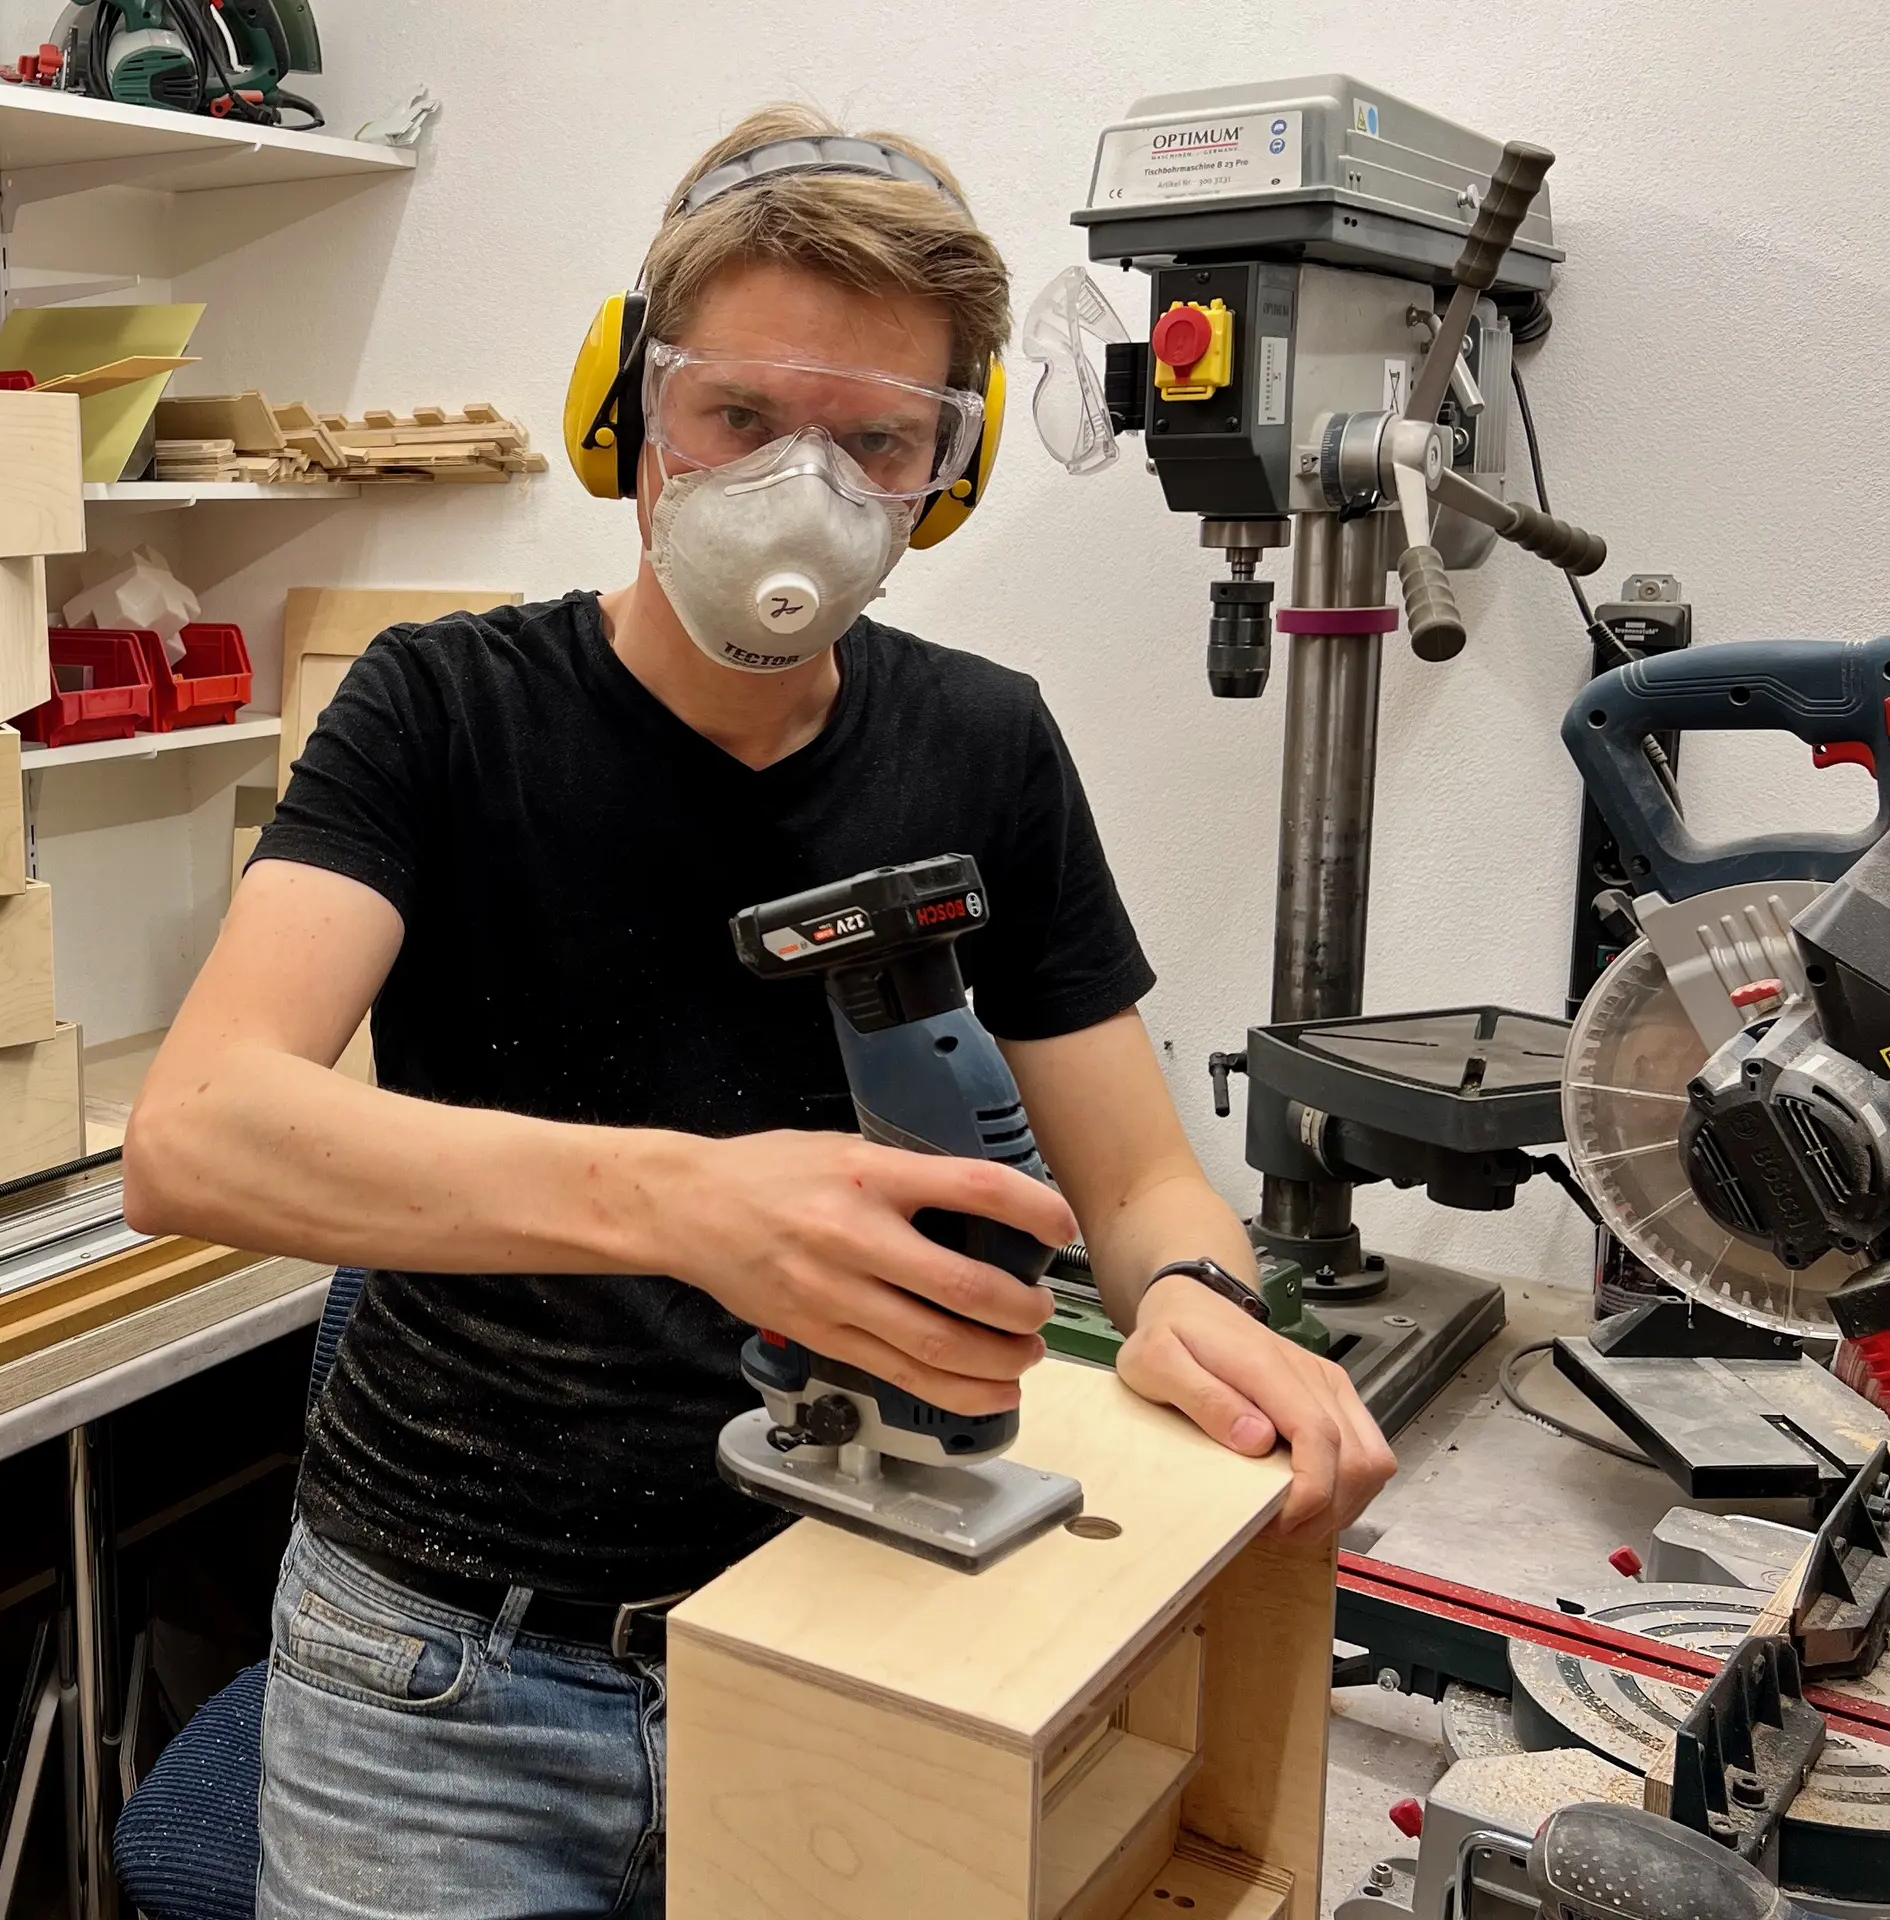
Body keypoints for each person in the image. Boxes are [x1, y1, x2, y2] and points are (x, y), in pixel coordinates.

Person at [123, 102, 1395, 1919]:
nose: (804, 489)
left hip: (866, 1622)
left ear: (940, 480)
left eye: (878, 440)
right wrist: (689, 1204)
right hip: (446, 1679)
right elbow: (194, 1136)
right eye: (739, 418)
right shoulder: (439, 713)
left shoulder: (986, 742)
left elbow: (1134, 1188)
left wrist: (1195, 1299)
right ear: (629, 411)